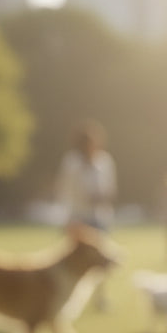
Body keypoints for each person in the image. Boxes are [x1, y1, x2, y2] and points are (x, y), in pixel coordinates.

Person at [56, 119, 117, 310]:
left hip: (99, 218)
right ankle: (70, 298)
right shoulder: (71, 163)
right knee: (74, 262)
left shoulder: (105, 161)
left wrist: (102, 198)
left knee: (100, 261)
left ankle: (100, 298)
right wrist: (67, 218)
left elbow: (110, 188)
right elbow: (64, 191)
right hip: (78, 218)